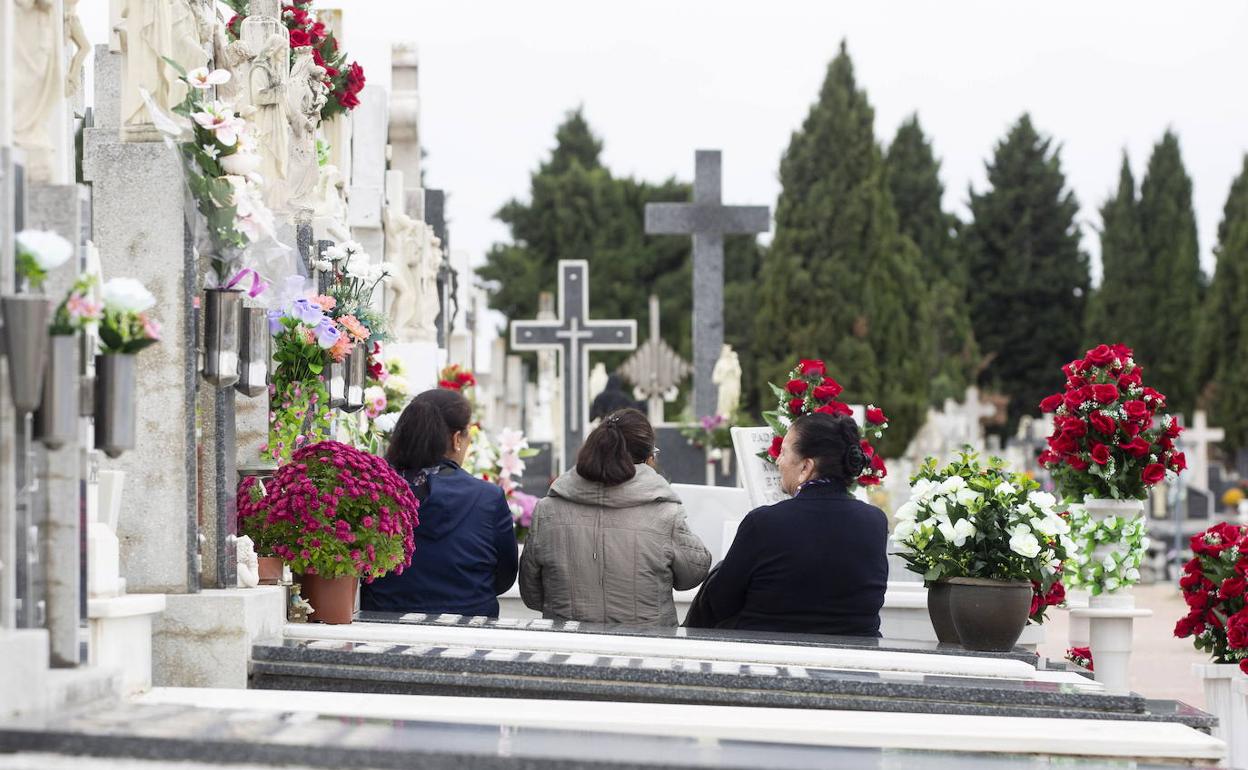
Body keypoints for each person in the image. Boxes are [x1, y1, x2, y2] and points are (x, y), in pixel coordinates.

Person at [687, 413, 888, 636]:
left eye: (783, 452)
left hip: (768, 659)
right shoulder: (875, 522)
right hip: (856, 660)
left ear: (805, 467)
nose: (777, 461)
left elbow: (719, 603)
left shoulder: (764, 523)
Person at [519, 408, 711, 626]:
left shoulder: (547, 511)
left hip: (568, 649)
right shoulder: (665, 514)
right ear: (648, 459)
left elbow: (532, 595)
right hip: (649, 650)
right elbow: (693, 575)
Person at [361, 388, 518, 617]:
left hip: (382, 621)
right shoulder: (488, 498)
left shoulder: (372, 491)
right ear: (456, 439)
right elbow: (504, 576)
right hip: (471, 627)